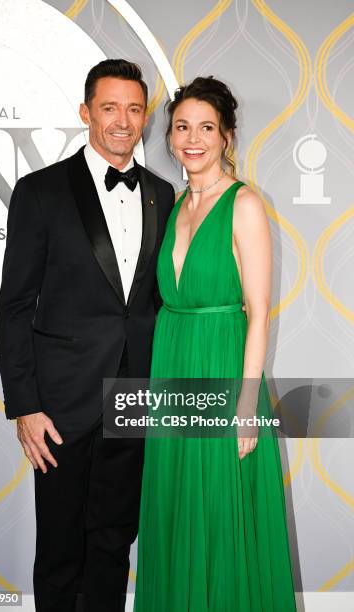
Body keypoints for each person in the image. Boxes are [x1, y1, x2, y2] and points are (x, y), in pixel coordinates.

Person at [0, 59, 175, 612]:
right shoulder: (40, 191)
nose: (123, 121)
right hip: (61, 403)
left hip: (134, 394)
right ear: (85, 112)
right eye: (109, 107)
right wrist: (25, 405)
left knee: (113, 541)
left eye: (134, 108)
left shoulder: (163, 194)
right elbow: (15, 305)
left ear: (144, 117)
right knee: (59, 548)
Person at [134, 77, 297, 611]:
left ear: (227, 135)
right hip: (173, 368)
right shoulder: (174, 203)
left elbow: (258, 313)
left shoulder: (244, 203)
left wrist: (247, 405)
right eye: (182, 127)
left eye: (206, 127)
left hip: (224, 372)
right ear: (170, 137)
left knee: (220, 511)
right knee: (178, 507)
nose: (192, 138)